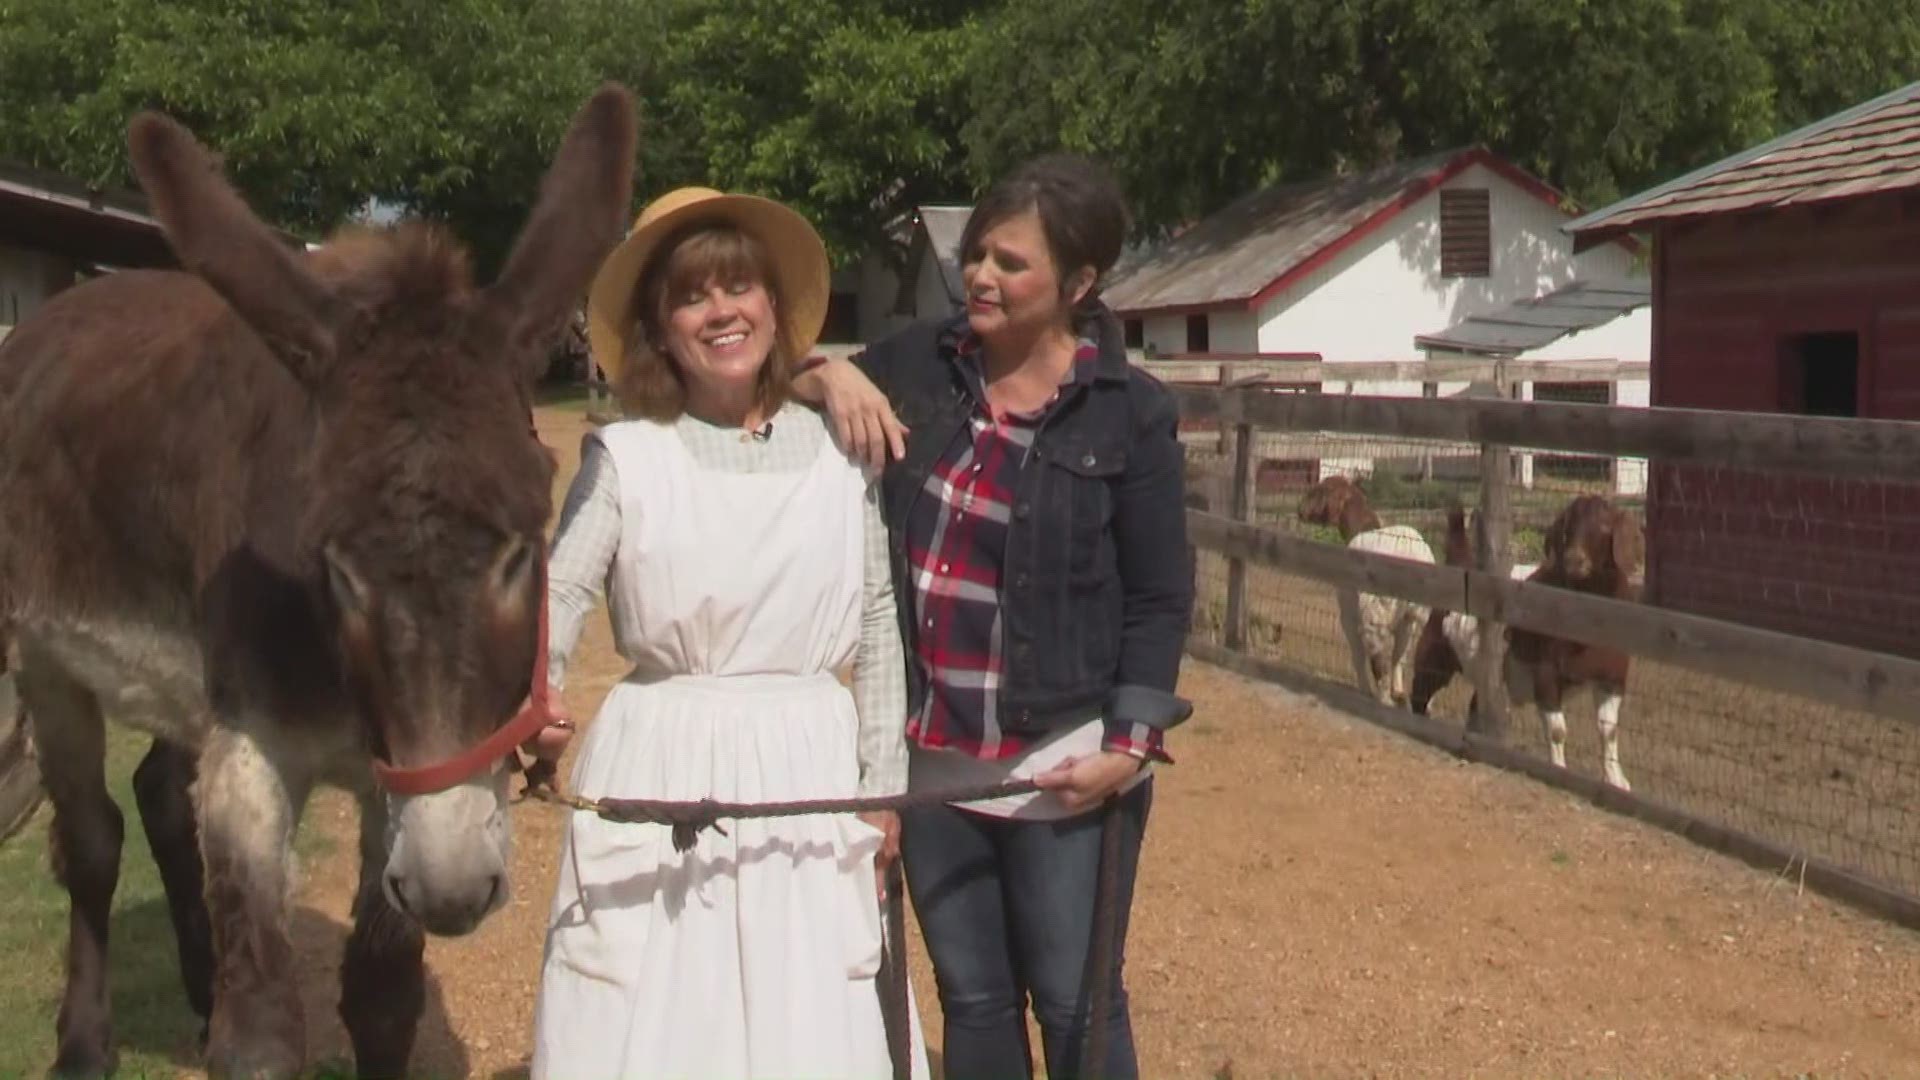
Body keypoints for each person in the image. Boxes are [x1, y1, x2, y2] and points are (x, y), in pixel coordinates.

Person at [792, 154, 1195, 1080]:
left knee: (1074, 1002)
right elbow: (772, 376)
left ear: (1078, 283)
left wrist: (1130, 744)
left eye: (1011, 263)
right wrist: (828, 380)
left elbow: (1160, 594)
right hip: (935, 767)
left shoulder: (1129, 415)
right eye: (977, 254)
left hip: (1064, 763)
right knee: (973, 1004)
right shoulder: (918, 370)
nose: (980, 275)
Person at [526, 185, 930, 1080]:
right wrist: (538, 702)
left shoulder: (839, 451)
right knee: (654, 1011)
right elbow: (558, 595)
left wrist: (882, 790)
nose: (721, 313)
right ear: (660, 329)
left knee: (809, 1011)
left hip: (807, 766)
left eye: (739, 288)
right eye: (691, 296)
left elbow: (873, 618)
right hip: (664, 758)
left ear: (773, 308)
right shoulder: (627, 456)